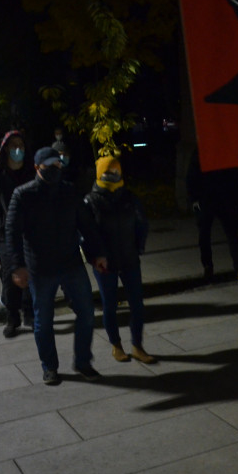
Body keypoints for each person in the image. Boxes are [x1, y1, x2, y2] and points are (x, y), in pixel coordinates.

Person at [6, 147, 108, 386]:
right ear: (37, 168)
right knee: (43, 320)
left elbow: (87, 225)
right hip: (40, 268)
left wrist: (98, 254)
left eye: (57, 165)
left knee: (86, 313)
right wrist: (17, 266)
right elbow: (12, 232)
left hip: (71, 262)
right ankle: (50, 367)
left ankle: (83, 362)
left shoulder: (69, 191)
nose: (54, 170)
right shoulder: (23, 195)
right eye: (49, 166)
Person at [84, 156, 154, 364]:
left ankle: (137, 345)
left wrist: (138, 247)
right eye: (108, 172)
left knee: (137, 305)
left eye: (115, 171)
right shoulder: (91, 201)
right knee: (110, 305)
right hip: (105, 264)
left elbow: (142, 223)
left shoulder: (129, 198)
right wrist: (95, 257)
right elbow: (85, 234)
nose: (112, 176)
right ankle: (116, 345)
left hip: (129, 258)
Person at [0, 131, 35, 337]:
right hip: (6, 235)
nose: (17, 150)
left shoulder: (31, 172)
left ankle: (30, 314)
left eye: (21, 145)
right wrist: (3, 223)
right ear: (5, 149)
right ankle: (12, 317)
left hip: (30, 232)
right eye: (13, 146)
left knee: (31, 272)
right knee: (10, 276)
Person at [185, 148, 238, 283]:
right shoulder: (205, 151)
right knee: (216, 235)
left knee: (221, 235)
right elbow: (192, 176)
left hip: (216, 199)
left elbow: (233, 176)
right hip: (214, 199)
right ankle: (231, 268)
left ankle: (233, 268)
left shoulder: (206, 150)